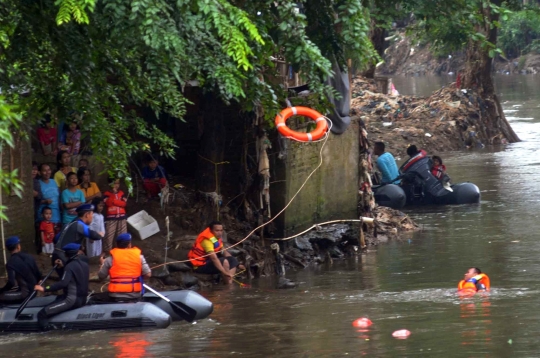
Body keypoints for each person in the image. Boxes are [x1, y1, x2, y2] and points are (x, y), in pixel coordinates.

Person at [35, 243, 89, 330]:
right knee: (58, 299)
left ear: (67, 254)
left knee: (42, 314)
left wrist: (45, 289)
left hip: (71, 300)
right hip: (83, 299)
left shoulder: (69, 267)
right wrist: (61, 267)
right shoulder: (84, 265)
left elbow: (63, 283)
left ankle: (46, 338)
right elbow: (74, 277)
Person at [98, 233, 151, 302]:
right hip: (134, 295)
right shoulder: (139, 257)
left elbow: (101, 276)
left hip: (115, 296)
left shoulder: (110, 259)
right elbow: (148, 274)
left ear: (117, 245)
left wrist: (102, 264)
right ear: (129, 244)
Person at [53, 204, 102, 272]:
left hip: (56, 255)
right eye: (92, 215)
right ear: (87, 215)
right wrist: (100, 234)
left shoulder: (69, 224)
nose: (92, 217)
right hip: (64, 257)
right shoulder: (79, 224)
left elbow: (55, 239)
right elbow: (94, 235)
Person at [0, 237, 42, 303]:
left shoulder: (10, 263)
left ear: (7, 249)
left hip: (25, 294)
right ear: (18, 246)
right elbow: (39, 275)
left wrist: (2, 290)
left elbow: (11, 283)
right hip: (34, 290)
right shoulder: (29, 256)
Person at [103, 178, 127, 254]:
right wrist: (113, 195)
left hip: (122, 217)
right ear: (110, 184)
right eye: (114, 183)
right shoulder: (106, 194)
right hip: (111, 218)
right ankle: (107, 253)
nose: (116, 185)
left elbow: (124, 204)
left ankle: (122, 253)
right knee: (109, 236)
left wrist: (115, 202)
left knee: (122, 235)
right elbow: (108, 203)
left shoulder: (121, 193)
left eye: (118, 183)